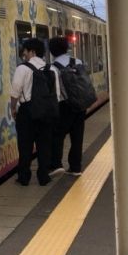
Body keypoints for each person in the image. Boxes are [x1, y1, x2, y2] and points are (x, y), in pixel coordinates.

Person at [10, 38, 60, 186]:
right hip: (46, 112)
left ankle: (24, 177)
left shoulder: (22, 68)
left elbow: (15, 92)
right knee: (44, 145)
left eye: (25, 51)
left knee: (25, 146)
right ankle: (43, 176)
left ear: (32, 51)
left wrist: (13, 108)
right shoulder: (52, 69)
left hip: (27, 112)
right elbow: (56, 95)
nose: (23, 54)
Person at [48, 36, 85, 177]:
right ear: (66, 48)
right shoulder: (78, 61)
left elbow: (55, 90)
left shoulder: (53, 67)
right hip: (80, 104)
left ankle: (56, 164)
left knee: (57, 135)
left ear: (51, 51)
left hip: (64, 105)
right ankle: (76, 167)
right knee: (77, 136)